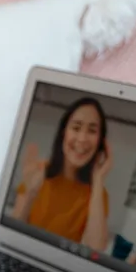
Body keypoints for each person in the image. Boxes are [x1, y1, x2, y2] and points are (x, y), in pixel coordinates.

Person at [11, 97, 113, 251]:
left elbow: (96, 250)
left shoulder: (98, 194)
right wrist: (30, 194)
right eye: (76, 128)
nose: (82, 139)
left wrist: (98, 180)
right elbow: (11, 235)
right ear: (63, 133)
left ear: (100, 143)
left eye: (92, 131)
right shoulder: (38, 172)